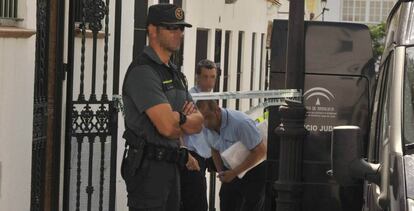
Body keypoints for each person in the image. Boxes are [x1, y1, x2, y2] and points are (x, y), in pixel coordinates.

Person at [121, 4, 204, 211]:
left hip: (173, 165)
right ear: (152, 30)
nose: (178, 34)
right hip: (148, 169)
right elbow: (167, 128)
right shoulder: (143, 71)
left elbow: (199, 122)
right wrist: (182, 119)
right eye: (171, 28)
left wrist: (180, 119)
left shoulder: (173, 72)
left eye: (181, 29)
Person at [196, 100, 267, 211]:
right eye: (202, 119)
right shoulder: (206, 127)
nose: (205, 123)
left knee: (251, 205)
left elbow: (260, 151)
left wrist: (234, 173)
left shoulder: (240, 123)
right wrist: (221, 171)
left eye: (207, 117)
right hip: (230, 169)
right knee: (227, 202)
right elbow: (214, 149)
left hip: (253, 169)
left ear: (217, 111)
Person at [180, 59, 217, 211]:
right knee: (197, 204)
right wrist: (184, 152)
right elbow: (179, 125)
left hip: (205, 156)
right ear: (198, 77)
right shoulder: (190, 99)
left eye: (213, 77)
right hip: (192, 155)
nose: (209, 81)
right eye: (206, 76)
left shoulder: (212, 96)